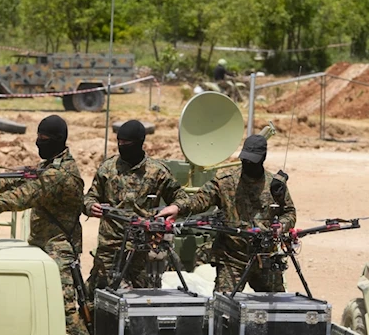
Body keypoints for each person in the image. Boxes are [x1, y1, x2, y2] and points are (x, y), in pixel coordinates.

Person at [0, 115, 89, 335]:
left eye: (44, 137)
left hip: (59, 249)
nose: (38, 141)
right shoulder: (49, 165)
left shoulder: (60, 174)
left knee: (64, 312)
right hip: (41, 245)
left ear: (58, 139)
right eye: (38, 136)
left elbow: (20, 196)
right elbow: (13, 182)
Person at [155, 134, 296, 293]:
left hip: (265, 257)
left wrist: (281, 226)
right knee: (223, 306)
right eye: (245, 160)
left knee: (277, 304)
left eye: (252, 161)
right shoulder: (225, 180)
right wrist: (178, 208)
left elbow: (289, 212)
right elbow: (201, 199)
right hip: (231, 258)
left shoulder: (274, 185)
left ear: (262, 159)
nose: (248, 164)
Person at [83, 119, 189, 301]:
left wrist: (175, 208)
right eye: (119, 142)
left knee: (143, 301)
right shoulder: (108, 168)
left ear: (140, 142)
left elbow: (182, 198)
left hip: (143, 251)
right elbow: (90, 197)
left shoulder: (157, 172)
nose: (122, 146)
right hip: (110, 248)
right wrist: (90, 206)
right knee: (99, 298)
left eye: (127, 143)